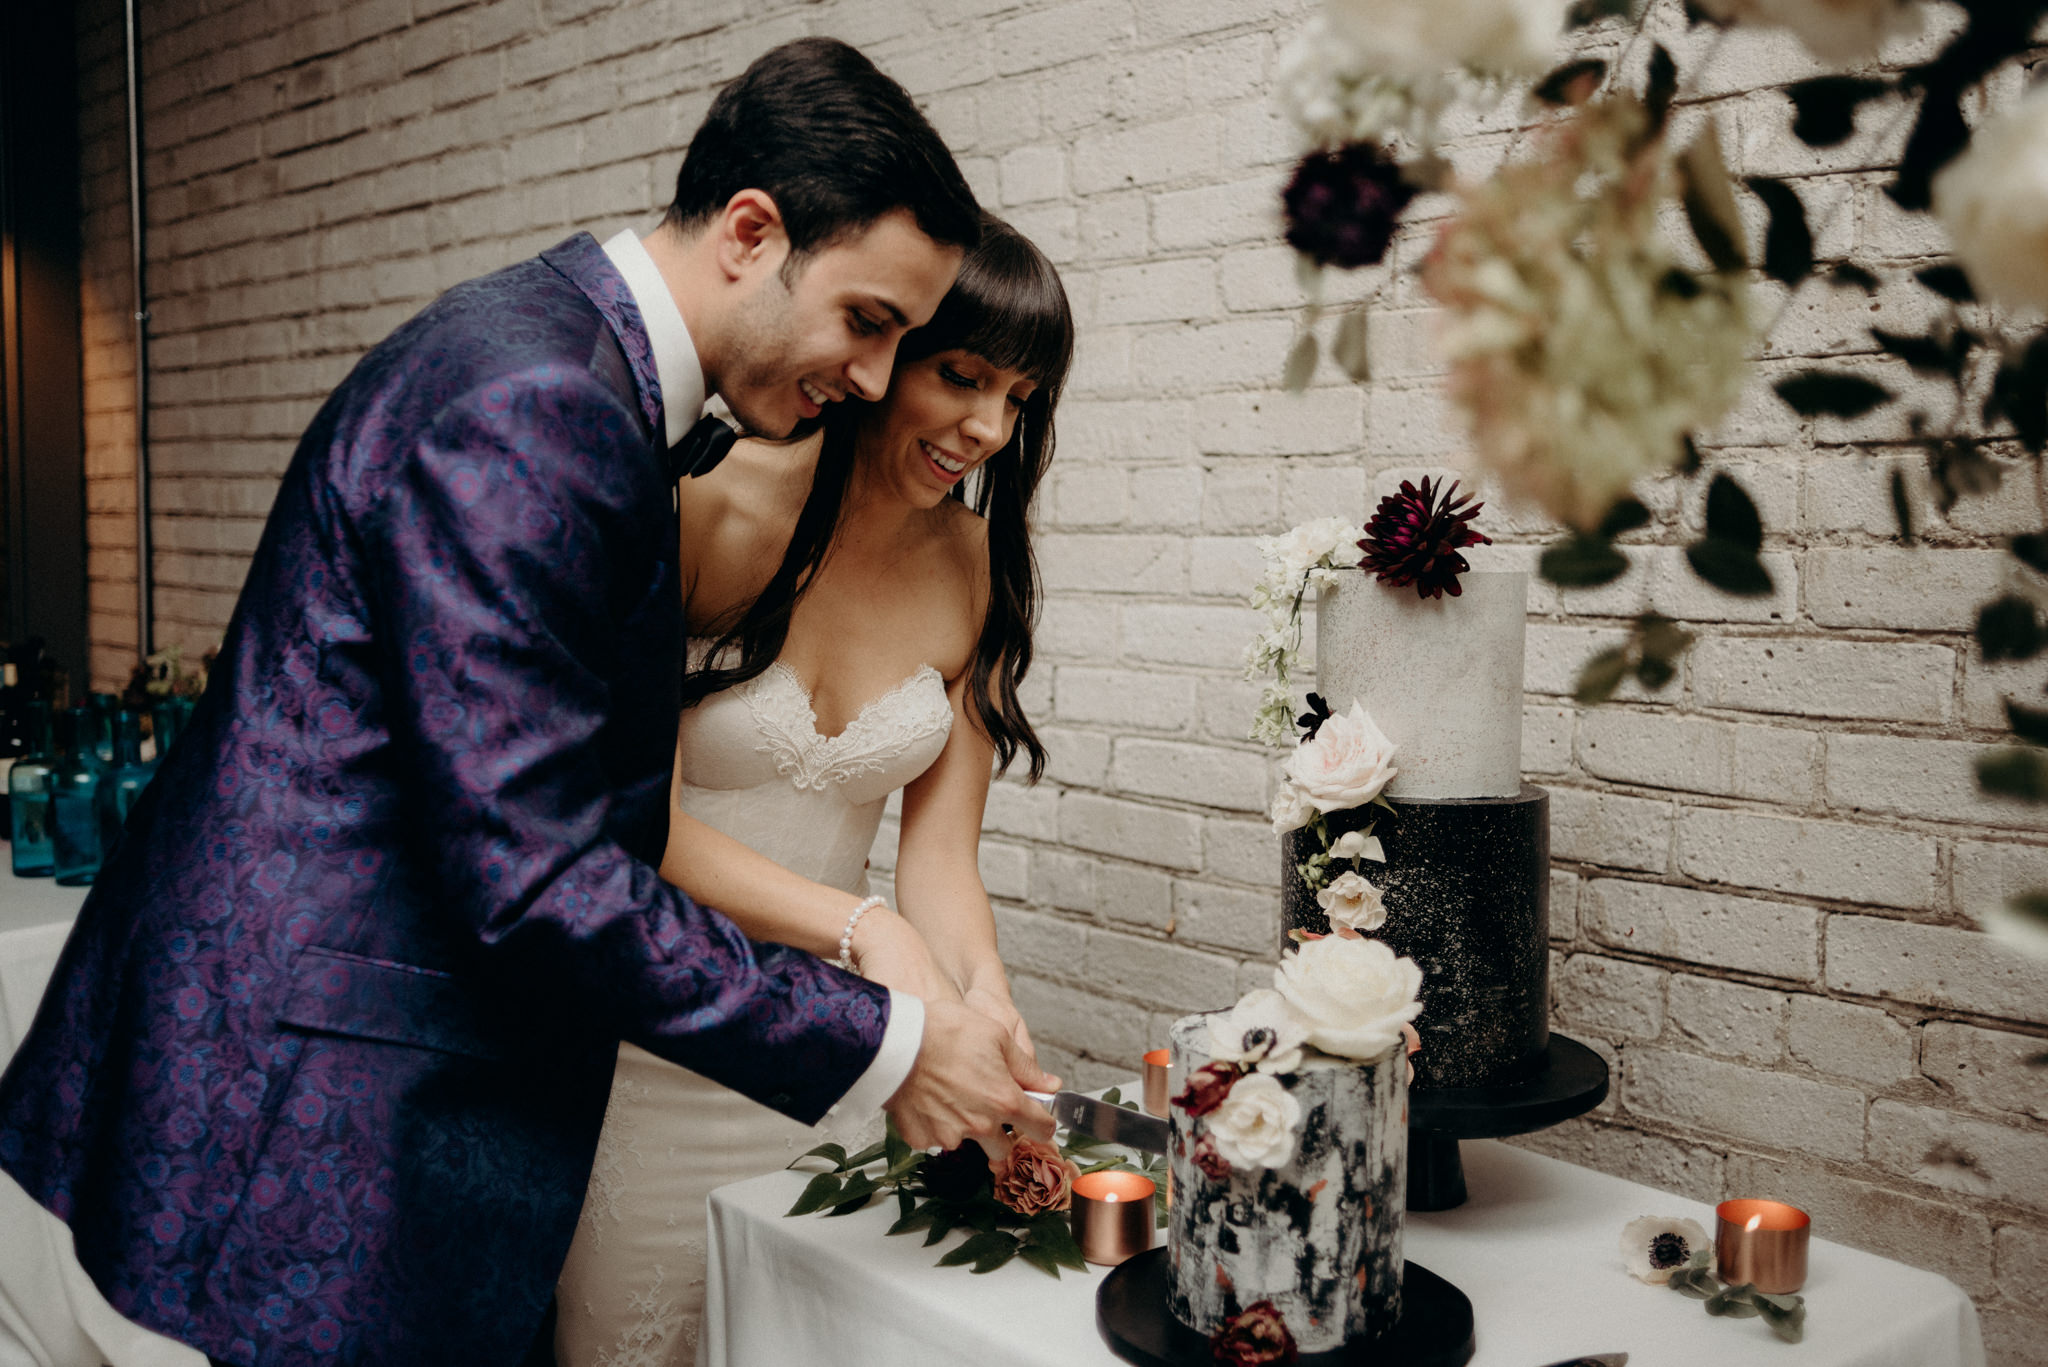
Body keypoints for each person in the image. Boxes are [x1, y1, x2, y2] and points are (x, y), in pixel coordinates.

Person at [0, 37, 1055, 1367]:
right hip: (317, 1120)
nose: (870, 373)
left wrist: (956, 1007)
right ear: (751, 232)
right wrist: (892, 1031)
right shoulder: (541, 403)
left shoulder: (561, 365)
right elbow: (540, 867)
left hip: (380, 1093)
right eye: (868, 320)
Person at [552, 213, 1073, 1365]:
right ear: (883, 355)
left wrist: (978, 1001)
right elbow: (633, 821)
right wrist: (865, 926)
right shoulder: (704, 508)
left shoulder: (976, 568)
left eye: (1019, 396)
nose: (987, 426)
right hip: (653, 1052)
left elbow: (940, 858)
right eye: (960, 376)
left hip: (839, 1062)